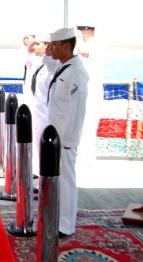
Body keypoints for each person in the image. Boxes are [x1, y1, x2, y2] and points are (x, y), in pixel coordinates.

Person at [47, 27, 89, 237]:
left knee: (66, 181)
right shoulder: (65, 66)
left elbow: (77, 109)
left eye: (54, 45)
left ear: (66, 46)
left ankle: (66, 225)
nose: (50, 48)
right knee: (59, 179)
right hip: (56, 136)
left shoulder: (76, 72)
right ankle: (59, 218)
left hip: (65, 138)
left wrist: (68, 140)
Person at [30, 34, 60, 178]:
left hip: (49, 118)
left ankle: (48, 187)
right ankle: (43, 181)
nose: (34, 47)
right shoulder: (43, 66)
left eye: (38, 44)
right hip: (39, 115)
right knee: (40, 151)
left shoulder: (56, 67)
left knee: (48, 154)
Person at [75, 25, 104, 167]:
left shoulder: (95, 44)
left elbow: (85, 52)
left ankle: (87, 159)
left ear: (88, 30)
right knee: (81, 125)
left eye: (81, 29)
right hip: (82, 91)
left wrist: (78, 37)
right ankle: (82, 157)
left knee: (88, 125)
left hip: (92, 92)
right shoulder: (82, 45)